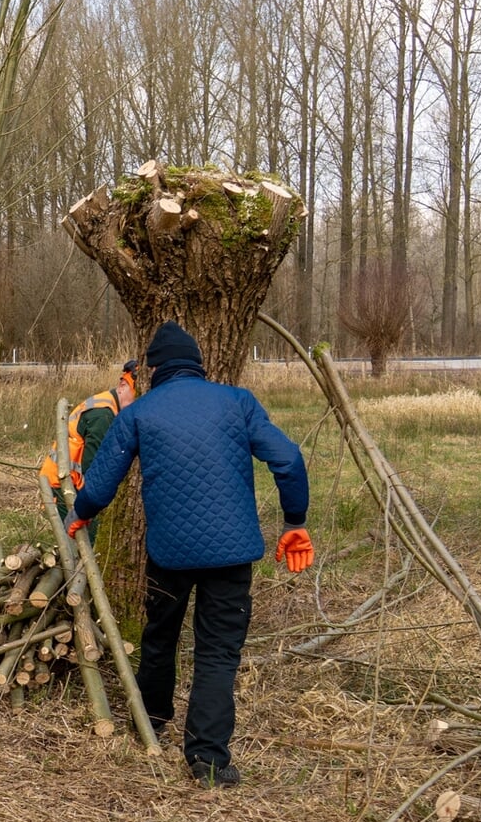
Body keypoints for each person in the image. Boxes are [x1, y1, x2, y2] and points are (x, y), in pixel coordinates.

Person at [66, 321, 313, 788]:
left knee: (160, 636)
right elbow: (288, 458)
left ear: (153, 369)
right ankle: (209, 760)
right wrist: (294, 522)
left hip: (169, 554)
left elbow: (101, 481)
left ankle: (152, 721)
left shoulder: (139, 413)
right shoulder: (238, 401)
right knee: (218, 652)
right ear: (197, 365)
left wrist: (81, 512)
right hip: (232, 553)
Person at [39, 359, 138, 506]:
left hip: (64, 484)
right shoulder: (103, 416)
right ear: (122, 387)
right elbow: (95, 469)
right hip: (62, 488)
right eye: (136, 396)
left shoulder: (107, 405)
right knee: (91, 526)